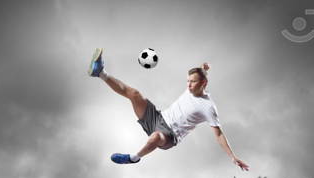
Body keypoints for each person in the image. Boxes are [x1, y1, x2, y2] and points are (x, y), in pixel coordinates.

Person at [88, 48, 249, 171]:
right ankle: (100, 72)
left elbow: (219, 134)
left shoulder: (208, 107)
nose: (189, 85)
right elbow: (201, 73)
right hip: (158, 118)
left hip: (170, 136)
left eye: (193, 82)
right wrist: (205, 68)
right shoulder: (193, 85)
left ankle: (134, 158)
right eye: (188, 81)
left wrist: (232, 157)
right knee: (135, 94)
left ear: (203, 84)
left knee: (156, 137)